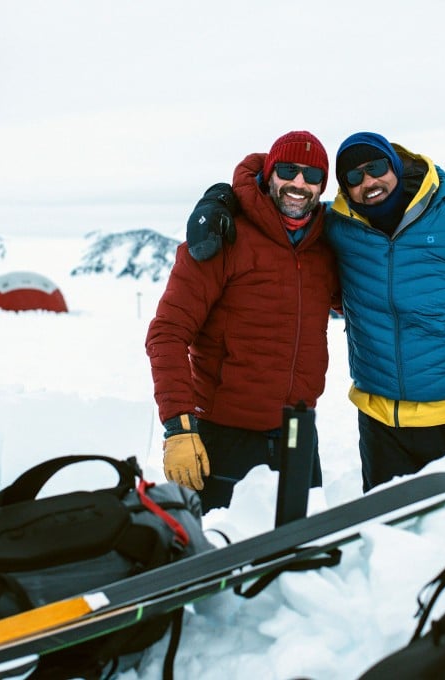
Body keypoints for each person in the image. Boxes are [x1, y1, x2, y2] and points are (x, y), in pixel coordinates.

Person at [186, 131, 445, 492]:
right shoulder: (338, 227)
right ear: (345, 189)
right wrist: (219, 198)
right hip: (380, 427)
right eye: (354, 177)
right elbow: (276, 208)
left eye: (377, 167)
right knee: (386, 538)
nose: (369, 182)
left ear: (395, 166)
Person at [145, 131, 339, 512]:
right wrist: (179, 427)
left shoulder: (325, 247)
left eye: (312, 176)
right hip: (223, 438)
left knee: (299, 560)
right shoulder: (222, 235)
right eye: (288, 170)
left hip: (298, 433)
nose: (299, 183)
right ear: (269, 175)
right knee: (221, 556)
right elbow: (167, 333)